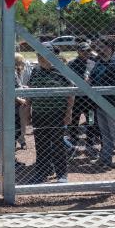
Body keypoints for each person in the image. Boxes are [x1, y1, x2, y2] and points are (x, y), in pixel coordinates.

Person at [26, 45, 74, 182]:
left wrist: (68, 112)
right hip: (39, 113)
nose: (41, 58)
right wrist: (28, 111)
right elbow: (30, 91)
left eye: (44, 55)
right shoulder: (35, 71)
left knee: (58, 144)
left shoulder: (62, 70)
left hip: (57, 113)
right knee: (41, 145)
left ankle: (62, 174)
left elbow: (71, 93)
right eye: (39, 56)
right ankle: (42, 173)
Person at [88, 36, 115, 169]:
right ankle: (105, 158)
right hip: (99, 104)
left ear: (111, 48)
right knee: (105, 133)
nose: (99, 49)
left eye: (102, 47)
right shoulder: (98, 63)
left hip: (114, 105)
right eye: (97, 47)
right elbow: (92, 79)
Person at [13, 53, 32, 150]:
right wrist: (19, 100)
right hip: (15, 103)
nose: (23, 63)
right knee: (16, 126)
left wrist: (24, 87)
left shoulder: (16, 71)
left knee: (21, 125)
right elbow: (9, 89)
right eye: (21, 61)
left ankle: (20, 141)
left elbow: (17, 86)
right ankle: (12, 147)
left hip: (19, 103)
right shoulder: (12, 73)